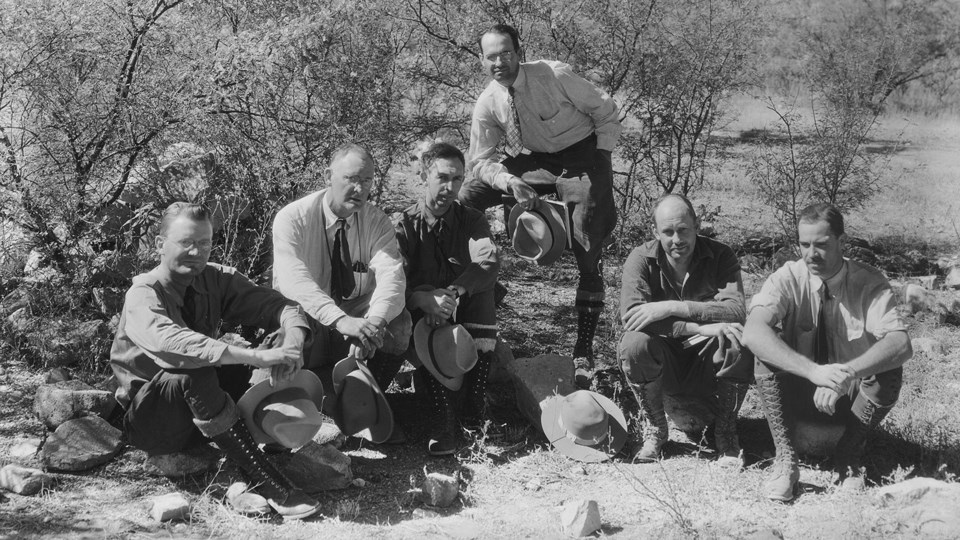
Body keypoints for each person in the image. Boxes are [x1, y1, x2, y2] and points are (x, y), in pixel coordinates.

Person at [110, 202, 319, 520]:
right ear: (159, 244)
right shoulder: (143, 293)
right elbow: (174, 345)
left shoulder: (215, 279)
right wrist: (256, 356)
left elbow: (281, 305)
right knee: (195, 370)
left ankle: (263, 439)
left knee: (275, 339)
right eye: (186, 242)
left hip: (201, 411)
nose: (196, 252)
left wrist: (291, 341)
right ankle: (265, 477)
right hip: (153, 420)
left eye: (204, 243)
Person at [459, 23, 621, 383]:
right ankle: (481, 285)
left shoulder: (553, 74)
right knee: (466, 197)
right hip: (535, 161)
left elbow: (605, 109)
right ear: (482, 61)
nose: (499, 62)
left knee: (585, 242)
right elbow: (480, 161)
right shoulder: (489, 101)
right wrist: (510, 180)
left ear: (520, 52)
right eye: (491, 57)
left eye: (506, 53)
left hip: (583, 155)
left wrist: (602, 158)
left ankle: (584, 346)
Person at [743, 203, 912, 501]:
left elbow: (900, 343)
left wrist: (847, 373)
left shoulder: (868, 281)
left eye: (821, 245)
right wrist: (814, 371)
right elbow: (753, 331)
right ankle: (786, 460)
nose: (811, 254)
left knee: (889, 367)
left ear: (842, 243)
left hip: (849, 399)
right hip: (799, 392)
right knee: (765, 349)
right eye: (804, 244)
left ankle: (849, 457)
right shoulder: (788, 277)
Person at [618, 195, 750, 466]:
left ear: (697, 225)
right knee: (633, 344)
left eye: (683, 230)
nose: (676, 239)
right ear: (655, 231)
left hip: (705, 361)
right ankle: (656, 429)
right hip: (664, 363)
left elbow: (736, 311)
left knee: (738, 338)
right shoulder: (641, 259)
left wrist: (670, 307)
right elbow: (632, 318)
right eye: (667, 232)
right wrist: (697, 326)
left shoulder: (720, 255)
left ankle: (725, 433)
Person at [395, 142, 500, 456]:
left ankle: (474, 403)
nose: (450, 186)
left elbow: (488, 261)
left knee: (483, 293)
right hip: (419, 314)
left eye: (457, 179)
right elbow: (392, 280)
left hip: (459, 305)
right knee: (426, 308)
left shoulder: (471, 219)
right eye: (442, 177)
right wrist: (422, 300)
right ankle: (443, 415)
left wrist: (453, 293)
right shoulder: (405, 224)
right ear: (425, 174)